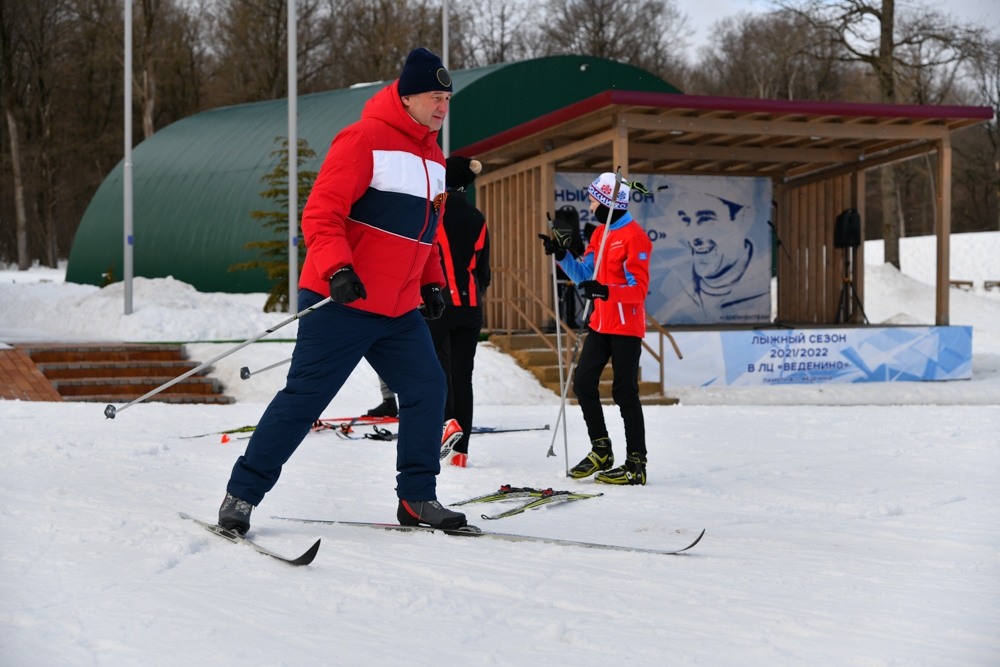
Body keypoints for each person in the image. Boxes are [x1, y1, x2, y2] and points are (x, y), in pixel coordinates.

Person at [218, 47, 467, 534]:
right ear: (407, 96)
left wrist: (432, 279)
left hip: (396, 308)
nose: (442, 107)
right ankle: (241, 495)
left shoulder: (435, 157)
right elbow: (321, 214)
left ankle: (417, 498)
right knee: (304, 399)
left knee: (427, 387)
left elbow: (427, 232)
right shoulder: (363, 139)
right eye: (434, 97)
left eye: (447, 98)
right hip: (342, 301)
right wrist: (337, 269)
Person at [538, 173, 652, 485]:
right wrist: (562, 256)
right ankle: (601, 450)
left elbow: (638, 290)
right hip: (600, 323)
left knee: (624, 392)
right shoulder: (601, 234)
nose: (589, 206)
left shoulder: (634, 237)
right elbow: (585, 275)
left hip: (626, 327)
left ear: (609, 203)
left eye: (593, 200)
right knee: (584, 384)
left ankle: (636, 463)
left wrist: (605, 291)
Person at [426, 155, 491, 468]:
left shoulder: (436, 207)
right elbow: (484, 272)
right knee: (463, 378)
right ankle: (460, 452)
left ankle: (447, 422)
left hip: (439, 303)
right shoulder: (478, 217)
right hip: (471, 306)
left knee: (427, 369)